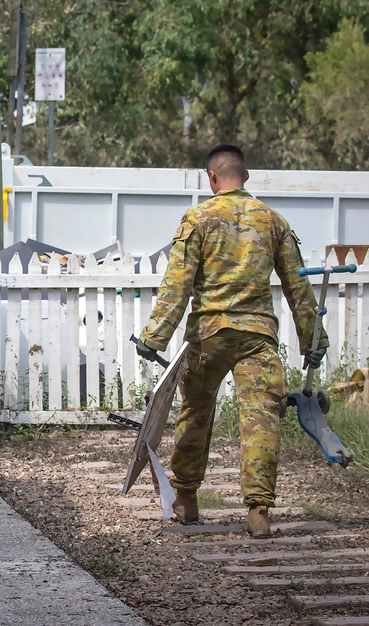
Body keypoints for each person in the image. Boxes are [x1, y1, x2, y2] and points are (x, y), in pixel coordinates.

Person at [137, 144, 327, 538]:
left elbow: (178, 284)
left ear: (211, 177)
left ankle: (186, 501)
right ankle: (258, 512)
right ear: (246, 175)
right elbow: (298, 287)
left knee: (196, 414)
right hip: (258, 335)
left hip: (209, 334)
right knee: (261, 419)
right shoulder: (272, 221)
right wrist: (312, 338)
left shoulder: (198, 218)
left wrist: (154, 336)